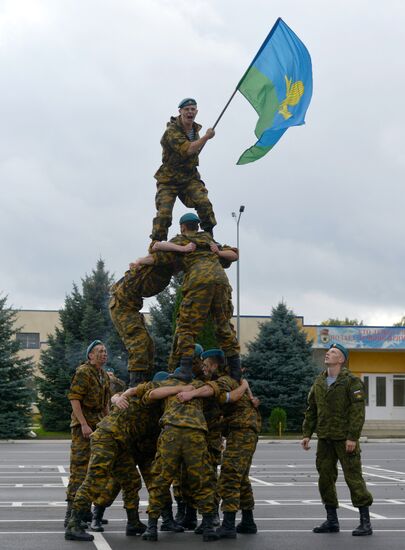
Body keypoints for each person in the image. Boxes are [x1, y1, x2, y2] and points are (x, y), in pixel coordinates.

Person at [65, 373, 189, 542]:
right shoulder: (149, 398)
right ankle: (74, 525)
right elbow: (152, 393)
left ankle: (133, 523)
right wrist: (183, 388)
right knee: (94, 480)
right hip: (107, 438)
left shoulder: (158, 411)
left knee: (132, 481)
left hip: (120, 444)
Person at [132, 212, 241, 383]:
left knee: (187, 327)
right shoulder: (208, 239)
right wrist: (218, 252)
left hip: (198, 282)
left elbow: (155, 248)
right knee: (224, 325)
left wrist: (139, 261)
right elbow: (235, 254)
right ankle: (235, 372)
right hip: (221, 282)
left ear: (183, 227)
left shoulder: (182, 239)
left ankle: (185, 369)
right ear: (197, 226)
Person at [177, 349, 261, 538]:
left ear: (215, 365)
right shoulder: (235, 380)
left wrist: (191, 395)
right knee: (242, 478)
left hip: (242, 430)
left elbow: (211, 390)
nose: (205, 369)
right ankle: (248, 521)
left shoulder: (224, 380)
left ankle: (229, 525)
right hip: (244, 430)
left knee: (230, 475)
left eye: (207, 365)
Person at [301, 342, 373, 536]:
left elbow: (357, 412)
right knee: (325, 478)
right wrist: (307, 433)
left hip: (344, 439)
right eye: (327, 352)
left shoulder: (351, 381)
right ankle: (332, 520)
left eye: (332, 352)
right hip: (325, 438)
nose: (327, 354)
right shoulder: (319, 381)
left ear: (341, 359)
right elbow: (312, 409)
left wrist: (352, 437)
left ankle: (365, 522)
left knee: (353, 478)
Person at [139, 373, 220, 542]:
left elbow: (151, 394)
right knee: (202, 479)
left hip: (171, 434)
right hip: (195, 435)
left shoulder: (167, 384)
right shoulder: (198, 383)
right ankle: (208, 525)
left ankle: (152, 526)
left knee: (160, 479)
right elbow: (211, 389)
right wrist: (189, 391)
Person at [151, 98, 217, 241]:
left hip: (189, 178)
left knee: (204, 203)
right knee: (164, 214)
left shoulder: (195, 130)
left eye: (193, 109)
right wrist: (206, 137)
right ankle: (157, 245)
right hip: (169, 180)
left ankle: (209, 236)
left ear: (196, 112)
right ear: (180, 112)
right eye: (186, 110)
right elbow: (187, 149)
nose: (190, 112)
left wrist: (202, 138)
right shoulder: (171, 131)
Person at [64, 340, 111, 529]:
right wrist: (83, 424)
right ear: (90, 355)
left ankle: (83, 511)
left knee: (94, 470)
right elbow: (74, 399)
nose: (103, 354)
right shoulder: (84, 372)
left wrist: (109, 423)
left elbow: (106, 403)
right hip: (83, 428)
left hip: (98, 426)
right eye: (99, 351)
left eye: (105, 351)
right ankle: (70, 515)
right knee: (79, 470)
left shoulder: (103, 375)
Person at [109, 263, 174, 386]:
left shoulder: (163, 271)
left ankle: (144, 383)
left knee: (149, 344)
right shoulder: (158, 262)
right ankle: (135, 386)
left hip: (131, 308)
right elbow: (151, 253)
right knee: (139, 342)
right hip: (122, 307)